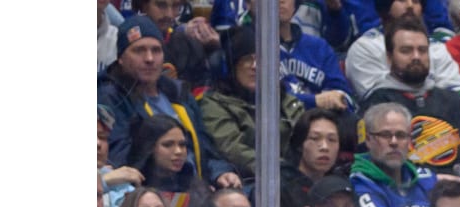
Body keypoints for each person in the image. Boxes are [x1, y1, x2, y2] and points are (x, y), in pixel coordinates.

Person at [99, 14, 236, 182]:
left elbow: (206, 149)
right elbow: (119, 158)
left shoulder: (179, 92)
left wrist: (220, 173)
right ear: (120, 58)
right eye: (139, 51)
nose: (149, 59)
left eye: (156, 50)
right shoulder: (110, 96)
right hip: (148, 190)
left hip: (196, 188)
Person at [361, 18, 460, 170]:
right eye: (406, 50)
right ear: (389, 57)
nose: (416, 56)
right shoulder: (375, 104)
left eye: (422, 50)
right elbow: (371, 163)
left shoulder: (453, 101)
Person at [200, 26, 308, 183]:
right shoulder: (214, 104)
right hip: (250, 181)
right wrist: (277, 167)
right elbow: (232, 148)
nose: (255, 66)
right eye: (247, 59)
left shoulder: (288, 102)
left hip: (296, 177)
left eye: (261, 59)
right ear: (232, 65)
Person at [352, 101, 439, 207]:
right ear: (369, 140)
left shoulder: (425, 178)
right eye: (385, 135)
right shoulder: (360, 182)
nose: (394, 142)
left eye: (401, 135)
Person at [346, 0, 460, 102]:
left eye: (416, 1)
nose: (410, 5)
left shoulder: (437, 48)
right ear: (385, 7)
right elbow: (377, 100)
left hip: (443, 124)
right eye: (402, 0)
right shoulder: (365, 48)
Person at [125, 113, 219, 207]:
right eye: (168, 145)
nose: (178, 151)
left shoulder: (196, 185)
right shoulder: (131, 186)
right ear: (149, 147)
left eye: (182, 145)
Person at [268, 0, 356, 117]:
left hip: (323, 121)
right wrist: (314, 101)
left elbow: (345, 98)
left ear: (295, 5)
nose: (280, 1)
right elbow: (261, 99)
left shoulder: (319, 46)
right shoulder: (250, 48)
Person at [282, 110, 354, 207]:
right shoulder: (281, 187)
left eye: (332, 140)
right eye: (315, 139)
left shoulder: (343, 186)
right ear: (300, 144)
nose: (324, 147)